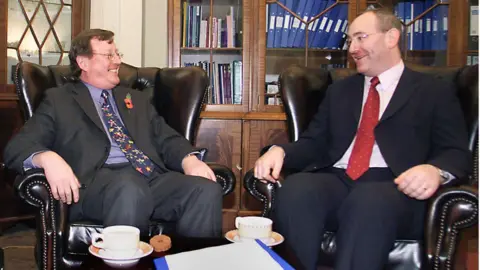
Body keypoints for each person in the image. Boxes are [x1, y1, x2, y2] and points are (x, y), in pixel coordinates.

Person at [253, 8, 470, 270]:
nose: (353, 48)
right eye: (350, 40)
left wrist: (435, 170)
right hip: (339, 179)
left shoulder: (433, 90)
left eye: (361, 37)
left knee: (368, 201)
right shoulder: (340, 91)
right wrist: (281, 151)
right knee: (298, 190)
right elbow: (314, 143)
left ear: (391, 37)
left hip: (397, 189)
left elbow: (456, 152)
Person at [4, 29, 223, 237]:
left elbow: (165, 137)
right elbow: (16, 148)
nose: (117, 61)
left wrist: (189, 159)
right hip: (96, 187)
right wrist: (47, 158)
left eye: (117, 54)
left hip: (150, 179)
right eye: (109, 55)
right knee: (129, 187)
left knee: (205, 190)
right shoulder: (58, 100)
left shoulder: (136, 99)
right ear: (83, 62)